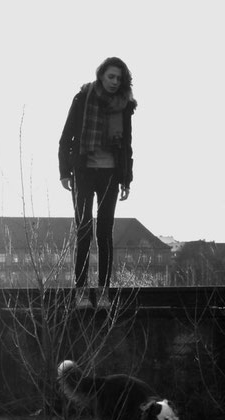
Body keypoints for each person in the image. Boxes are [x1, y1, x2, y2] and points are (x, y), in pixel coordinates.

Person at [59, 57, 137, 305]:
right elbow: (66, 137)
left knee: (104, 233)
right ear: (101, 75)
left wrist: (126, 179)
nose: (114, 82)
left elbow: (126, 145)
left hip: (110, 174)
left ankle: (104, 291)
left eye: (119, 78)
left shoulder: (124, 105)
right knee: (83, 230)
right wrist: (64, 172)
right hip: (84, 172)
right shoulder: (83, 99)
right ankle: (80, 290)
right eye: (111, 76)